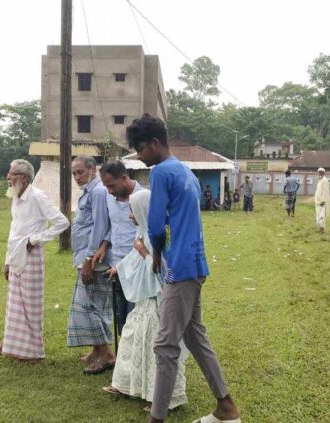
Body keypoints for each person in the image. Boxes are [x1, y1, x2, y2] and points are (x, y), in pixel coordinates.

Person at [126, 114, 240, 423]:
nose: (138, 156)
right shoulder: (185, 171)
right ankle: (226, 408)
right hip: (195, 262)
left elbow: (154, 224)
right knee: (194, 337)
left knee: (165, 345)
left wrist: (158, 254)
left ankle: (157, 418)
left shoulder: (162, 172)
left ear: (154, 143)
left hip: (179, 266)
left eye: (139, 148)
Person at [102, 190, 188, 412]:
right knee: (132, 337)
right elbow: (133, 257)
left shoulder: (159, 235)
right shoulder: (143, 231)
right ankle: (124, 385)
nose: (130, 215)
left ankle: (163, 398)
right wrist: (118, 268)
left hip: (158, 302)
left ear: (143, 210)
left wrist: (143, 253)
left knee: (154, 348)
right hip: (145, 301)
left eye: (132, 210)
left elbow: (164, 270)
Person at [0, 159, 69, 361]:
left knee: (30, 305)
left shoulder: (37, 197)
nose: (7, 177)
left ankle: (33, 352)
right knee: (14, 304)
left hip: (32, 256)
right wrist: (7, 260)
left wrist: (35, 239)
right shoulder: (15, 196)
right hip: (16, 254)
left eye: (11, 174)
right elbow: (14, 230)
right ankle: (9, 344)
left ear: (23, 177)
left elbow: (62, 222)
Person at [67, 155, 116, 374]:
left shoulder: (97, 192)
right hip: (86, 257)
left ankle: (106, 354)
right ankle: (97, 350)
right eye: (74, 173)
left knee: (93, 306)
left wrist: (88, 260)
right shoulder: (89, 191)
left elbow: (100, 226)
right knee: (87, 305)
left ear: (93, 169)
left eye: (80, 172)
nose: (77, 177)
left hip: (95, 260)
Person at [92, 160, 143, 337]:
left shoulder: (143, 197)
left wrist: (124, 265)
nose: (109, 191)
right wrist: (104, 245)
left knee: (135, 315)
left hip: (137, 267)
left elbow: (145, 235)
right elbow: (114, 225)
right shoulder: (109, 197)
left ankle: (136, 360)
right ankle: (123, 359)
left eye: (112, 185)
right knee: (120, 316)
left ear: (124, 178)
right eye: (106, 187)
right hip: (115, 265)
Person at [314, 168, 330, 233]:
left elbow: (325, 191)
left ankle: (322, 229)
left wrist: (323, 201)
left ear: (323, 173)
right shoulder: (319, 180)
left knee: (322, 215)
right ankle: (320, 228)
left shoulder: (325, 180)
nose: (320, 173)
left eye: (321, 172)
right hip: (318, 202)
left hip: (322, 202)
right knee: (318, 215)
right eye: (319, 172)